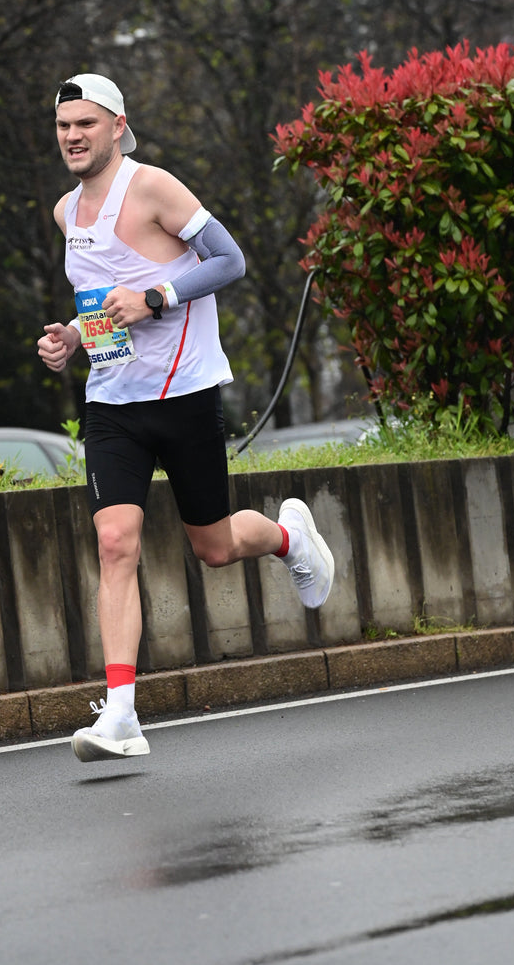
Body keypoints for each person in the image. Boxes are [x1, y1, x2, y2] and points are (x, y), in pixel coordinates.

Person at [37, 72, 334, 763]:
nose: (73, 137)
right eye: (62, 126)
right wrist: (72, 340)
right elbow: (101, 304)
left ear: (117, 125)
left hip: (186, 396)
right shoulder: (64, 213)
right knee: (115, 541)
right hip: (111, 403)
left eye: (85, 123)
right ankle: (120, 716)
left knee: (215, 546)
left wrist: (160, 295)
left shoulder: (154, 187)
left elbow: (230, 260)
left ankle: (290, 536)